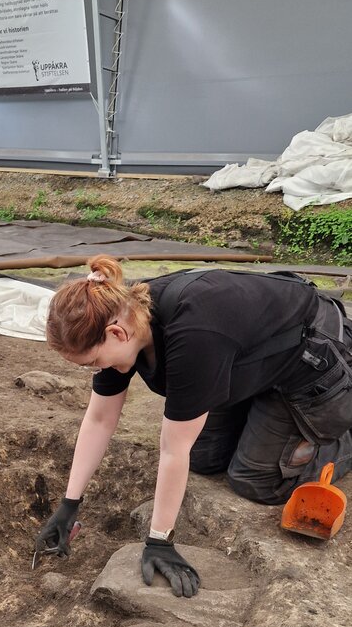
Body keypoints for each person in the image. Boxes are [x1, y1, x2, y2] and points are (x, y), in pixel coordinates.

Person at [36, 255, 352, 598]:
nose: (97, 370)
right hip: (250, 364)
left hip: (314, 364)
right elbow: (100, 419)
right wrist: (69, 503)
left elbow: (173, 448)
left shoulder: (192, 335)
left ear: (116, 333)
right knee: (204, 458)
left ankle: (339, 432)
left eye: (95, 362)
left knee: (255, 480)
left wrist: (160, 540)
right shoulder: (121, 315)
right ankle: (265, 423)